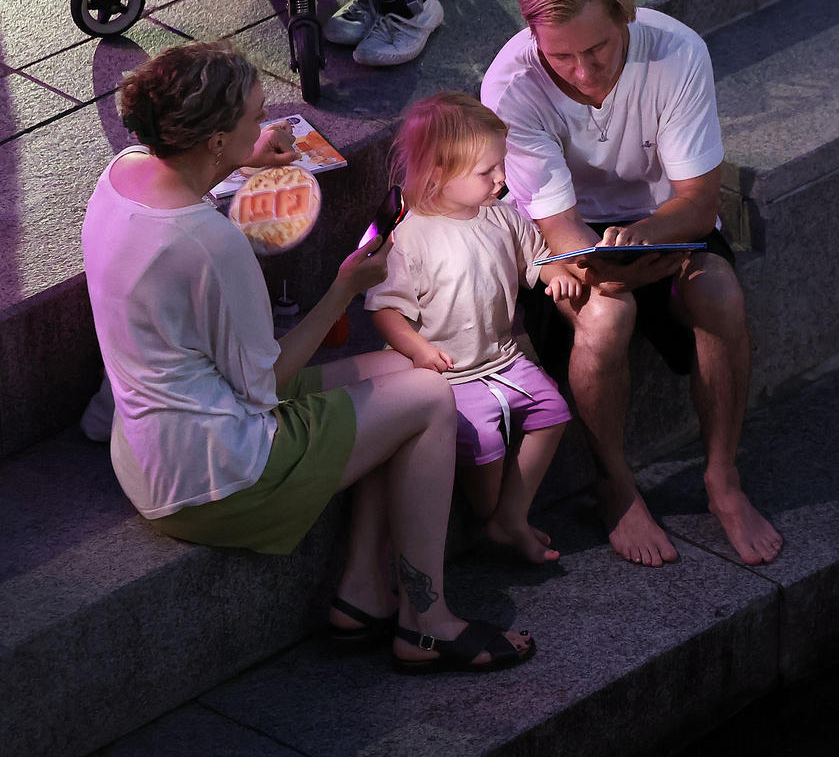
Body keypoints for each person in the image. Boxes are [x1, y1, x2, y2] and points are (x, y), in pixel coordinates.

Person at [82, 41, 533, 674]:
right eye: (254, 117)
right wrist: (344, 288)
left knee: (408, 371)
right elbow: (263, 384)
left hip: (150, 450)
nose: (267, 126)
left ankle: (362, 591)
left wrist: (242, 157)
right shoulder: (208, 242)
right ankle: (427, 623)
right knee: (433, 397)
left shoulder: (123, 172)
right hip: (216, 479)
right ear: (215, 139)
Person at [480, 0, 783, 567]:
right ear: (535, 39)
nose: (582, 72)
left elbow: (698, 201)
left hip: (663, 216)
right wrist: (610, 275)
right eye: (561, 56)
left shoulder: (676, 52)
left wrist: (643, 238)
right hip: (560, 234)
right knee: (605, 317)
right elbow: (558, 226)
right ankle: (615, 484)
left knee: (719, 291)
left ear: (625, 17)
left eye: (598, 49)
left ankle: (722, 476)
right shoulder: (511, 84)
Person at [365, 92, 582, 564]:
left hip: (501, 358)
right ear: (438, 174)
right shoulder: (411, 236)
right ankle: (494, 516)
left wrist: (556, 274)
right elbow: (384, 310)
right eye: (487, 171)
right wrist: (417, 349)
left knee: (553, 411)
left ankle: (510, 515)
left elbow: (536, 257)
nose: (501, 178)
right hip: (445, 375)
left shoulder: (502, 216)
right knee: (485, 446)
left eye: (502, 164)